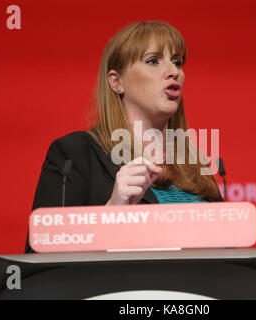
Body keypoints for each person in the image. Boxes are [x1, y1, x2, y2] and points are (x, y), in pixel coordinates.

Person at [25, 20, 223, 253]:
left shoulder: (195, 163)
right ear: (116, 82)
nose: (174, 72)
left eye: (177, 62)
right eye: (153, 61)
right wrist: (112, 210)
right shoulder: (74, 155)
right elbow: (40, 258)